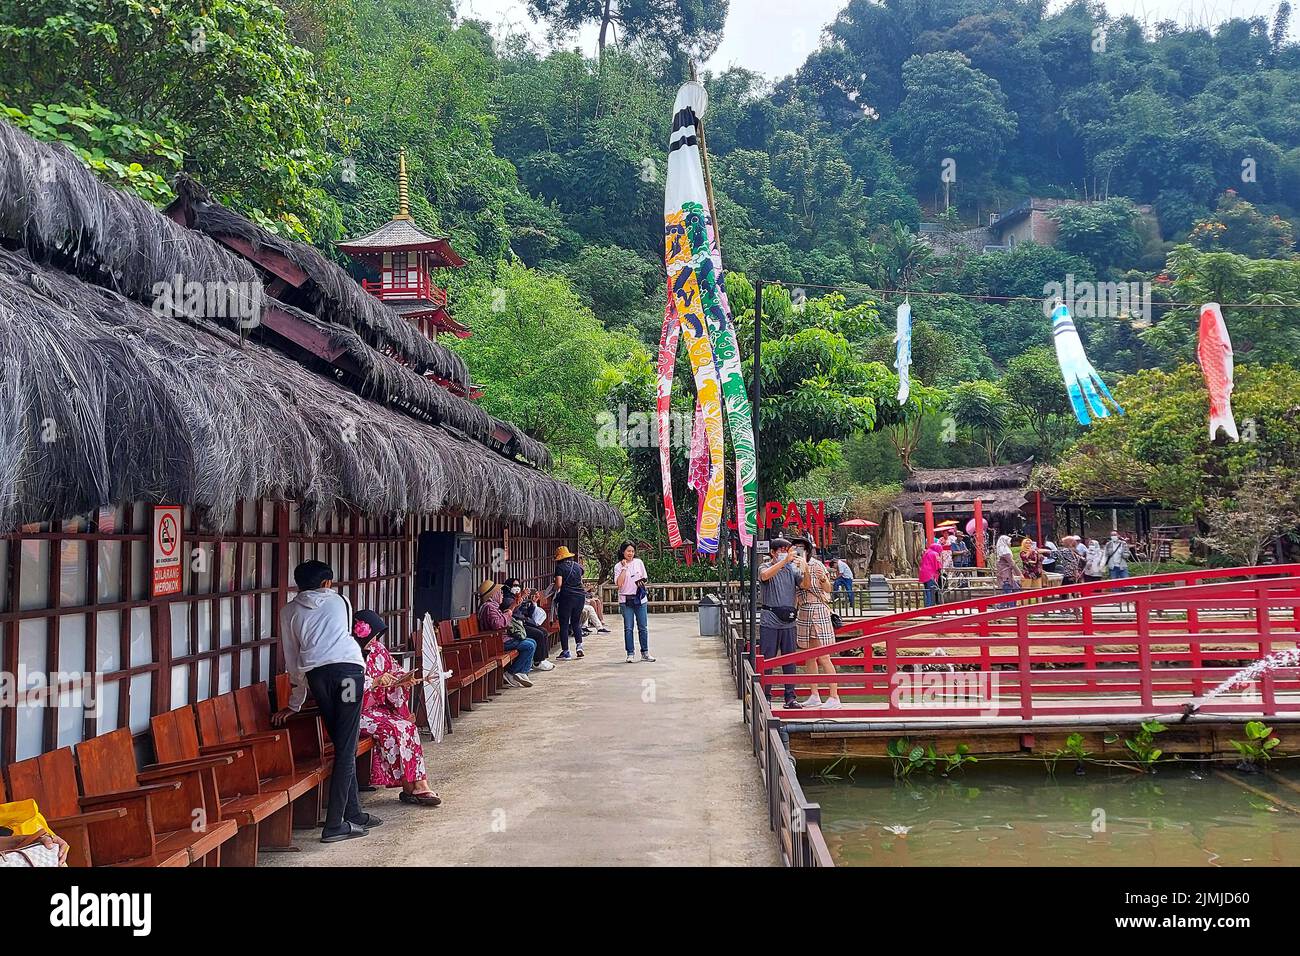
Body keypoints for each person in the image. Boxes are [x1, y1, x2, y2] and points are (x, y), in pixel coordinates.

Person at [273, 559, 381, 843]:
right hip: (348, 674)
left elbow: (292, 659)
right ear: (326, 584)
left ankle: (354, 812)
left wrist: (296, 701)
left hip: (317, 678)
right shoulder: (341, 601)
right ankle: (335, 824)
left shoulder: (288, 611)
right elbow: (344, 636)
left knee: (342, 741)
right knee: (346, 746)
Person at [351, 610, 442, 807]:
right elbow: (347, 685)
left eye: (376, 635)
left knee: (407, 727)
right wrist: (375, 681)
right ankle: (412, 787)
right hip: (356, 712)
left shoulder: (378, 649)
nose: (374, 639)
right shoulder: (349, 654)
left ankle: (418, 784)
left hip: (378, 709)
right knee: (395, 728)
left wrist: (405, 679)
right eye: (371, 635)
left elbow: (395, 670)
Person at [791, 537, 840, 710]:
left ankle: (834, 696)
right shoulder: (793, 567)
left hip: (818, 609)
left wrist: (823, 580)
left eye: (801, 548)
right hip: (804, 611)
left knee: (824, 656)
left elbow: (828, 589)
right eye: (795, 548)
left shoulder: (817, 565)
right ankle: (814, 694)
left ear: (808, 550)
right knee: (809, 656)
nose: (798, 551)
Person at [758, 537, 802, 708]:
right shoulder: (765, 566)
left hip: (789, 622)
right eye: (782, 551)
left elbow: (803, 584)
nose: (785, 554)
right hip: (770, 620)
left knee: (790, 660)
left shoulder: (792, 569)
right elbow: (764, 576)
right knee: (768, 659)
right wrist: (784, 562)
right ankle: (766, 696)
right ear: (773, 553)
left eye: (787, 550)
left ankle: (790, 697)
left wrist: (804, 567)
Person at [477, 580, 536, 686]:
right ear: (493, 594)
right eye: (500, 592)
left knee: (532, 642)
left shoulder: (491, 606)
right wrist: (509, 613)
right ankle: (512, 672)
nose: (502, 595)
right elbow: (498, 624)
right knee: (529, 645)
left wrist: (509, 611)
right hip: (498, 642)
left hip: (500, 639)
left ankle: (522, 672)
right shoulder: (490, 607)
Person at [614, 541, 656, 662]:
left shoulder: (639, 562)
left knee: (643, 626)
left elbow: (645, 577)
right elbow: (619, 584)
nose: (631, 553)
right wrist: (624, 568)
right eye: (628, 551)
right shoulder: (618, 566)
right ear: (623, 552)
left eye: (632, 551)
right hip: (625, 599)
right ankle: (630, 653)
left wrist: (641, 583)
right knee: (628, 627)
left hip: (640, 598)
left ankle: (645, 652)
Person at [503, 578, 554, 671]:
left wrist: (533, 602)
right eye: (514, 585)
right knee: (538, 634)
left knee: (543, 631)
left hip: (523, 623)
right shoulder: (506, 599)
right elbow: (511, 612)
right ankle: (538, 661)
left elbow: (525, 613)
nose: (517, 588)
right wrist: (521, 597)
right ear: (508, 587)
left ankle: (541, 659)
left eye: (518, 585)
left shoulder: (516, 597)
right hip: (515, 627)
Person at [553, 546, 586, 659]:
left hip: (567, 597)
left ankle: (566, 651)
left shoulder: (560, 568)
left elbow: (559, 584)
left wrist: (553, 589)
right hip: (580, 596)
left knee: (564, 624)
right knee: (576, 622)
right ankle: (579, 646)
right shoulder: (577, 566)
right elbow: (581, 574)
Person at [995, 534, 1019, 603]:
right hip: (1006, 576)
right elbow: (1012, 563)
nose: (1010, 543)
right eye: (1009, 542)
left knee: (1010, 591)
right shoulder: (1005, 552)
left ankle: (1005, 606)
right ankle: (1010, 607)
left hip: (1005, 574)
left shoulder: (1001, 551)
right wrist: (1020, 574)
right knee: (1009, 592)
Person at [918, 541, 943, 607]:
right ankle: (930, 606)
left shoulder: (926, 552)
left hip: (924, 574)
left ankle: (927, 604)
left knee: (927, 590)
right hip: (931, 574)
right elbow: (939, 565)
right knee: (931, 590)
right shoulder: (935, 554)